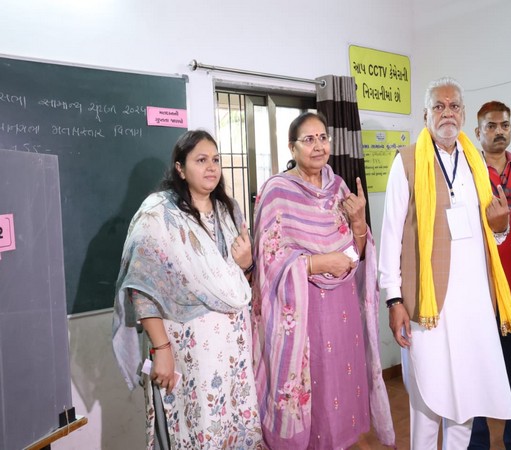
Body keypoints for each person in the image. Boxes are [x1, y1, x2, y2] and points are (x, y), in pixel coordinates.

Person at [379, 77, 511, 449]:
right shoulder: (407, 161)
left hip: (474, 304)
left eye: (454, 106)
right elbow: (391, 236)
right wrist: (394, 301)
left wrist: (501, 228)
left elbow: (489, 235)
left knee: (467, 401)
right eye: (439, 106)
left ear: (462, 113)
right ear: (426, 114)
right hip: (427, 306)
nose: (447, 113)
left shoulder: (476, 164)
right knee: (427, 402)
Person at [251, 112, 394, 449]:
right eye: (309, 139)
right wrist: (316, 263)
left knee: (342, 382)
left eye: (323, 138)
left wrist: (359, 225)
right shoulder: (277, 192)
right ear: (292, 146)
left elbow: (356, 255)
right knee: (316, 384)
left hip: (343, 307)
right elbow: (268, 261)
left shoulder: (339, 188)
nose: (318, 146)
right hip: (304, 310)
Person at [112, 130, 264, 449]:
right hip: (190, 349)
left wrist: (248, 262)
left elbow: (240, 281)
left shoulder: (230, 210)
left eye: (215, 159)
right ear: (180, 169)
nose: (211, 167)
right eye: (200, 160)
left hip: (233, 345)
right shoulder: (159, 216)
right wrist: (162, 350)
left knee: (235, 427)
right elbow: (141, 288)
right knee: (198, 429)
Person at [469, 101, 511, 450]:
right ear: (478, 131)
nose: (500, 131)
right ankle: (476, 443)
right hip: (478, 292)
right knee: (477, 372)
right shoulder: (466, 170)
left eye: (505, 125)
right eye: (492, 125)